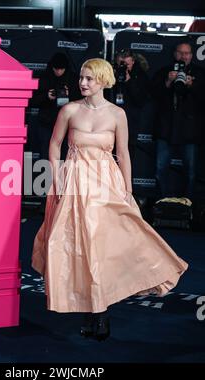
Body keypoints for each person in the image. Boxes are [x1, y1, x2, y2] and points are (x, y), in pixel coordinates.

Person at [31, 58, 188, 341]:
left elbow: (124, 153)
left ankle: (100, 313)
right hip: (76, 184)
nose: (82, 82)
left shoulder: (117, 114)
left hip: (106, 184)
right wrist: (58, 177)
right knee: (78, 246)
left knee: (105, 247)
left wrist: (127, 190)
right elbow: (54, 145)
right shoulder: (69, 110)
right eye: (81, 77)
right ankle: (92, 311)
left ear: (103, 80)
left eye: (89, 78)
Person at [152, 41, 205, 200]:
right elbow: (152, 97)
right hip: (166, 129)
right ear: (175, 54)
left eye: (187, 53)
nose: (183, 56)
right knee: (160, 168)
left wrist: (192, 85)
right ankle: (162, 202)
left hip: (190, 131)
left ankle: (187, 205)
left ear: (191, 55)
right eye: (180, 53)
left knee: (191, 171)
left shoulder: (200, 73)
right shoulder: (164, 72)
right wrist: (167, 82)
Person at [31, 52, 81, 161]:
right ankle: (47, 177)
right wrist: (47, 96)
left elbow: (81, 102)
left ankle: (63, 177)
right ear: (51, 67)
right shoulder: (43, 78)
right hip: (47, 124)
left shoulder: (74, 79)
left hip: (68, 125)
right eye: (56, 68)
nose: (58, 71)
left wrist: (69, 96)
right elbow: (32, 101)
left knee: (66, 155)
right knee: (46, 154)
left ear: (66, 68)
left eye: (61, 69)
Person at [109, 49, 151, 172]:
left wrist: (129, 81)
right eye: (120, 64)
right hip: (109, 121)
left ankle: (126, 188)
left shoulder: (141, 75)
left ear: (133, 62)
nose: (123, 67)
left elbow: (141, 100)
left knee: (126, 158)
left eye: (126, 64)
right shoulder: (110, 73)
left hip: (129, 123)